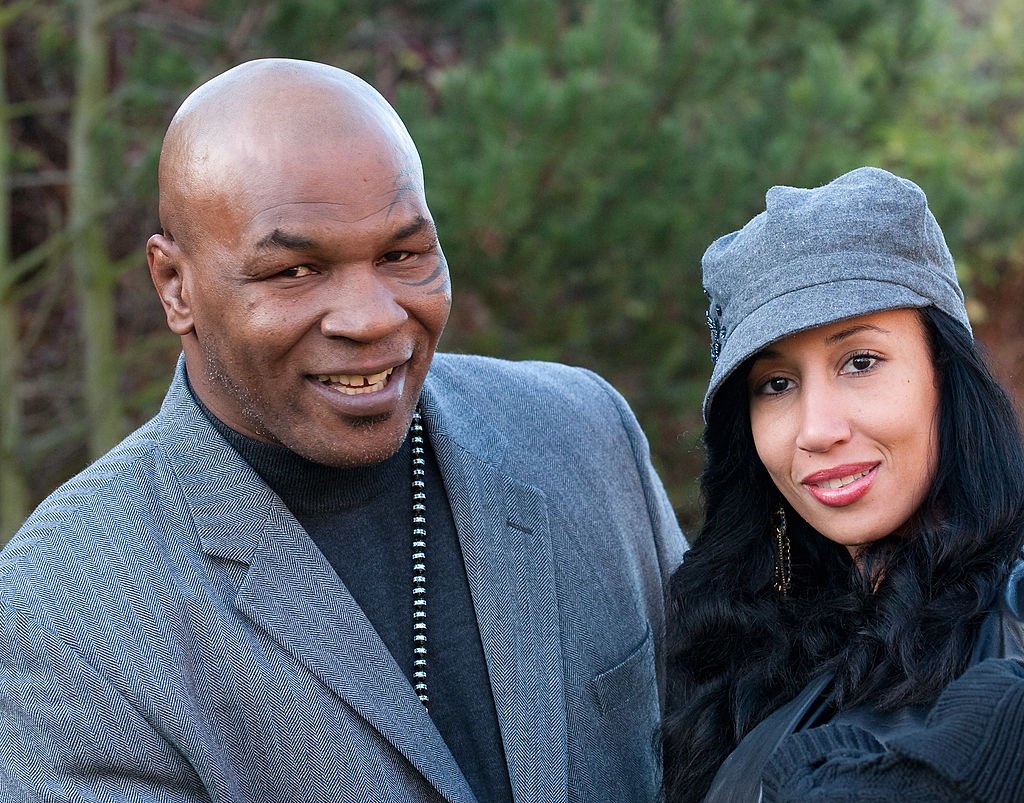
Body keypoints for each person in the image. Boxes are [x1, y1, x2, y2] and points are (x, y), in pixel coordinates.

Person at [0, 58, 685, 803]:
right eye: (295, 270)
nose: (372, 318)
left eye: (402, 254)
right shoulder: (63, 611)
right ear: (176, 286)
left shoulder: (581, 434)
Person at [661, 166, 1024, 802]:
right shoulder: (747, 653)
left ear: (947, 376)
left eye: (860, 362)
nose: (816, 430)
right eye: (775, 384)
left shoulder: (1012, 613)